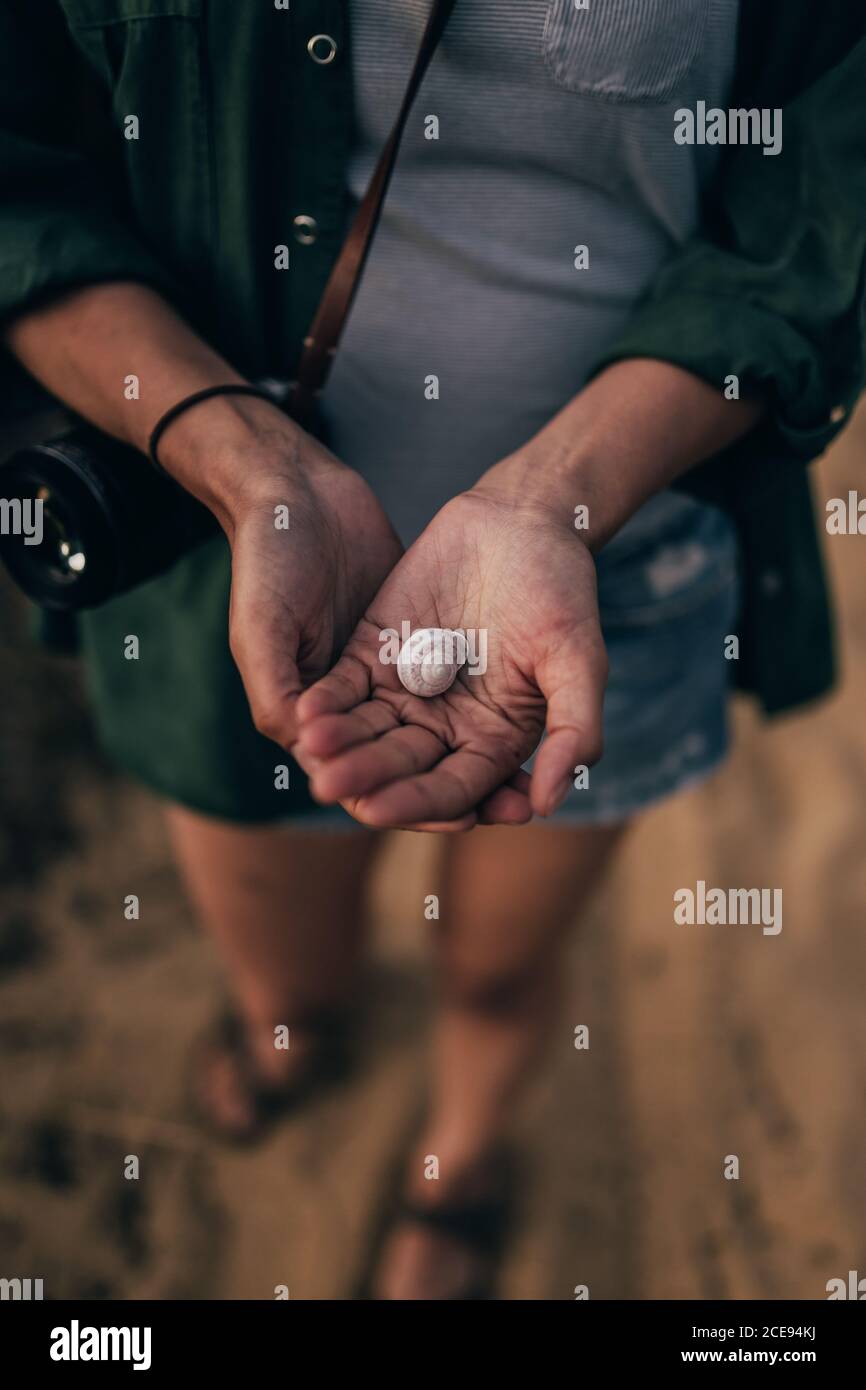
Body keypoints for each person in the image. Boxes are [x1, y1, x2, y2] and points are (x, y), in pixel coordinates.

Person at [1, 1, 863, 1299]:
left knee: (502, 964)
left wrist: (544, 503)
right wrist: (243, 469)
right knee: (283, 964)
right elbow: (22, 183)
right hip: (229, 574)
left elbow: (806, 224)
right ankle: (297, 1037)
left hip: (612, 566)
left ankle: (455, 1162)